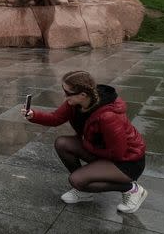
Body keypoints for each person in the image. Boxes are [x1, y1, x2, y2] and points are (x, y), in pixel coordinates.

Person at [22, 70, 148, 214]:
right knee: (62, 143)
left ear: (83, 95)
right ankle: (84, 190)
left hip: (127, 162)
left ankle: (132, 189)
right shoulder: (75, 103)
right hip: (103, 151)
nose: (65, 96)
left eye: (68, 93)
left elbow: (118, 153)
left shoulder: (109, 116)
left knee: (76, 180)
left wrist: (87, 145)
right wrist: (33, 115)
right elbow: (55, 118)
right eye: (64, 90)